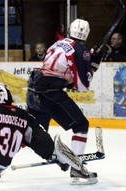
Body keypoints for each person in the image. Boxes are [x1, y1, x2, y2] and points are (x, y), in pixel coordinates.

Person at [26, 19, 102, 182]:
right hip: (50, 94)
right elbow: (82, 87)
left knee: (28, 132)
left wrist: (87, 64)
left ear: (70, 30)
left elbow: (57, 70)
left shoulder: (58, 43)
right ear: (86, 34)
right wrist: (92, 66)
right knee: (81, 125)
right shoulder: (80, 50)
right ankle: (76, 167)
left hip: (33, 91)